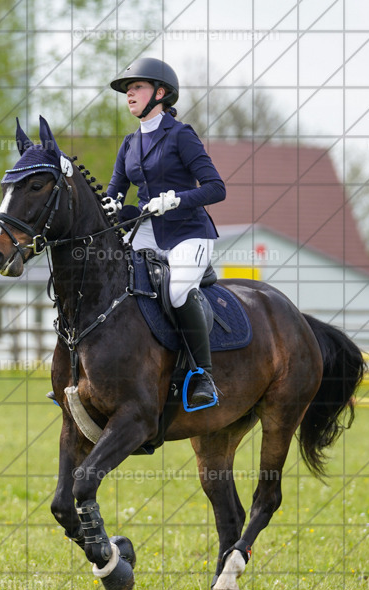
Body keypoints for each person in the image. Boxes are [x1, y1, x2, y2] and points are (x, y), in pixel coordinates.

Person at [104, 57, 227, 408]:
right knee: (112, 276)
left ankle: (202, 374)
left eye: (137, 88)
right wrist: (111, 205)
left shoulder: (181, 136)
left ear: (160, 93)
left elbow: (217, 189)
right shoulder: (129, 144)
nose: (129, 95)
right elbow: (116, 190)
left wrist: (176, 200)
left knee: (176, 292)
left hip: (189, 232)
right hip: (147, 231)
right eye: (127, 90)